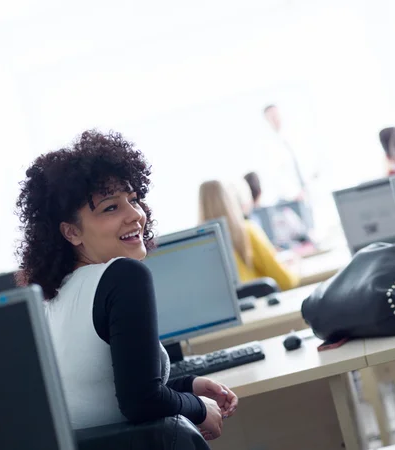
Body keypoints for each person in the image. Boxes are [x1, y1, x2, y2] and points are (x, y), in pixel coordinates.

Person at [15, 130, 238, 441]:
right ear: (71, 232)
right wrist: (198, 408)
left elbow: (101, 400)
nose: (135, 215)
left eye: (133, 200)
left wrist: (186, 387)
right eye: (110, 207)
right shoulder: (123, 276)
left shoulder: (53, 298)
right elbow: (140, 402)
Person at [198, 180, 299, 291]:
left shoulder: (198, 245)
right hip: (260, 305)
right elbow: (286, 281)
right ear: (230, 201)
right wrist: (295, 267)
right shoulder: (247, 231)